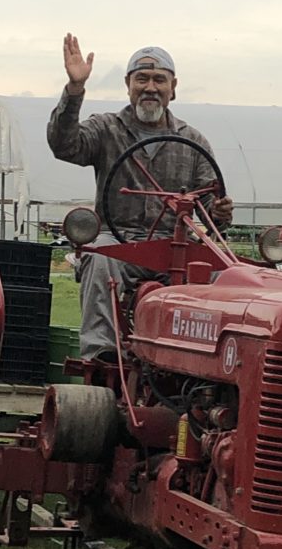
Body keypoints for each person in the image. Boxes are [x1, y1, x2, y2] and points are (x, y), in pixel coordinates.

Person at [47, 34, 233, 359]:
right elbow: (65, 145)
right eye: (142, 79)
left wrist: (220, 212)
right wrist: (74, 89)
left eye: (159, 80)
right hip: (118, 240)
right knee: (100, 259)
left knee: (222, 273)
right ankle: (102, 356)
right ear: (128, 85)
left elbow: (209, 213)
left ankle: (205, 358)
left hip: (172, 244)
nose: (150, 87)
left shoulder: (193, 141)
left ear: (173, 87)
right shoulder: (107, 129)